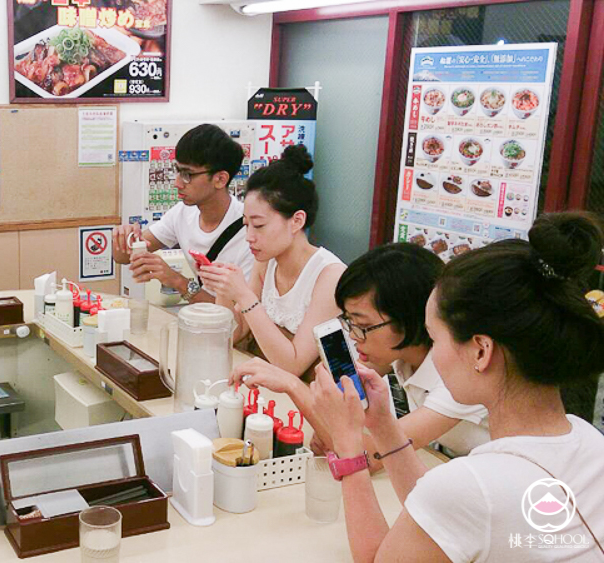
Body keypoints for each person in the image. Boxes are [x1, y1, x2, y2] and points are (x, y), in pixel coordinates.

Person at [311, 212, 604, 562]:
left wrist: (347, 441)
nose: (433, 354)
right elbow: (442, 518)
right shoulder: (591, 442)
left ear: (481, 350)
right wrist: (382, 426)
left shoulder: (471, 484)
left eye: (435, 338)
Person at [231, 243, 490, 472]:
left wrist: (292, 385)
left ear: (409, 319)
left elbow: (370, 457)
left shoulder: (462, 373)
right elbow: (342, 415)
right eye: (349, 322)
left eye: (363, 326)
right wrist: (331, 430)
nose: (354, 337)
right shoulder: (398, 353)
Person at [200, 145, 344, 376]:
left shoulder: (330, 276)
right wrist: (224, 291)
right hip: (271, 384)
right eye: (246, 225)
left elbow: (292, 365)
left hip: (315, 390)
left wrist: (244, 296)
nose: (249, 237)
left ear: (296, 221)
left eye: (259, 225)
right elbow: (233, 335)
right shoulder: (267, 261)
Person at [112, 124, 254, 304]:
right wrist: (123, 239)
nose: (177, 183)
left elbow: (241, 315)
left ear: (220, 179)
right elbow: (123, 257)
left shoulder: (251, 233)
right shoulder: (182, 213)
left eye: (187, 174)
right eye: (177, 170)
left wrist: (177, 281)